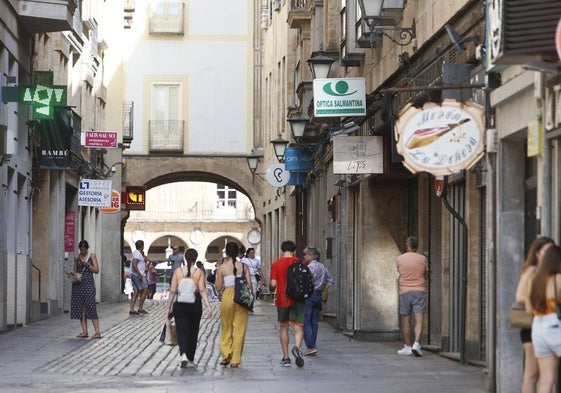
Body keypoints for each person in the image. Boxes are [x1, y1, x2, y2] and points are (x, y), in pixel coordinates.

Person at [515, 236, 554, 393]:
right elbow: (519, 297)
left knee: (544, 375)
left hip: (545, 326)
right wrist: (537, 300)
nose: (549, 254)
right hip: (531, 326)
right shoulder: (531, 270)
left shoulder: (549, 271)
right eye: (546, 251)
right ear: (537, 252)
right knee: (532, 374)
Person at [166, 248, 212, 368]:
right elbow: (202, 289)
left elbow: (172, 290)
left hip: (180, 303)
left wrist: (168, 307)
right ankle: (191, 359)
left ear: (185, 258)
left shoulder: (178, 271)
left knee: (181, 330)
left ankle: (184, 355)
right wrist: (208, 306)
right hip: (195, 303)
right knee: (193, 331)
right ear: (196, 258)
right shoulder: (199, 272)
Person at [527, 244, 561, 393]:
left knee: (546, 380)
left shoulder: (534, 280)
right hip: (554, 325)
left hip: (537, 327)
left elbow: (529, 309)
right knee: (549, 379)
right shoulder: (558, 279)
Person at [215, 242, 252, 368]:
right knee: (240, 329)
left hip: (228, 297)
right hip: (241, 297)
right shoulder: (244, 266)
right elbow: (250, 287)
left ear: (227, 253)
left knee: (226, 327)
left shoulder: (222, 267)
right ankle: (235, 359)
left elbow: (218, 287)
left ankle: (226, 355)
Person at [269, 240, 305, 367]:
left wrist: (271, 288)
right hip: (298, 299)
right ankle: (296, 347)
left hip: (283, 299)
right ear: (294, 250)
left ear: (282, 250)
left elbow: (273, 284)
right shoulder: (300, 262)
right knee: (298, 327)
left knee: (284, 327)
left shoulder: (276, 264)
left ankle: (286, 357)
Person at [396, 236, 429, 357]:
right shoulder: (423, 259)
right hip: (419, 290)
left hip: (404, 291)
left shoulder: (399, 259)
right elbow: (426, 274)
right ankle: (416, 344)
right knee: (419, 318)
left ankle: (407, 346)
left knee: (406, 319)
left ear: (407, 245)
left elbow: (399, 273)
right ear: (417, 246)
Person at [302, 246, 334, 356]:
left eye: (306, 254)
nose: (304, 257)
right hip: (318, 295)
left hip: (310, 295)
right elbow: (330, 280)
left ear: (311, 256)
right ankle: (313, 344)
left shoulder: (309, 268)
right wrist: (322, 288)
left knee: (306, 320)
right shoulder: (322, 267)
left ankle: (310, 346)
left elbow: (305, 282)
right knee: (314, 321)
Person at [67, 240, 101, 339]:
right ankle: (84, 331)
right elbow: (76, 271)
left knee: (91, 306)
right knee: (80, 308)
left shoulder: (92, 256)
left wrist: (87, 264)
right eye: (81, 250)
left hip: (88, 284)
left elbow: (96, 270)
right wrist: (71, 272)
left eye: (84, 250)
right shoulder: (77, 257)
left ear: (87, 249)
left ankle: (97, 332)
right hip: (78, 285)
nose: (83, 252)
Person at [129, 240, 149, 315]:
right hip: (138, 275)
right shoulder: (137, 254)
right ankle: (140, 308)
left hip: (135, 274)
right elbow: (134, 264)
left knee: (136, 291)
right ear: (142, 246)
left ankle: (132, 309)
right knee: (145, 289)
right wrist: (139, 274)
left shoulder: (137, 253)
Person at [241, 247, 263, 313]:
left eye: (253, 253)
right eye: (251, 253)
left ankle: (252, 306)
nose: (252, 254)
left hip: (253, 278)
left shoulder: (257, 261)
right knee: (246, 292)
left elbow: (259, 270)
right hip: (246, 278)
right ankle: (246, 305)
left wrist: (263, 279)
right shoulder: (244, 260)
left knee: (253, 292)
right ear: (247, 254)